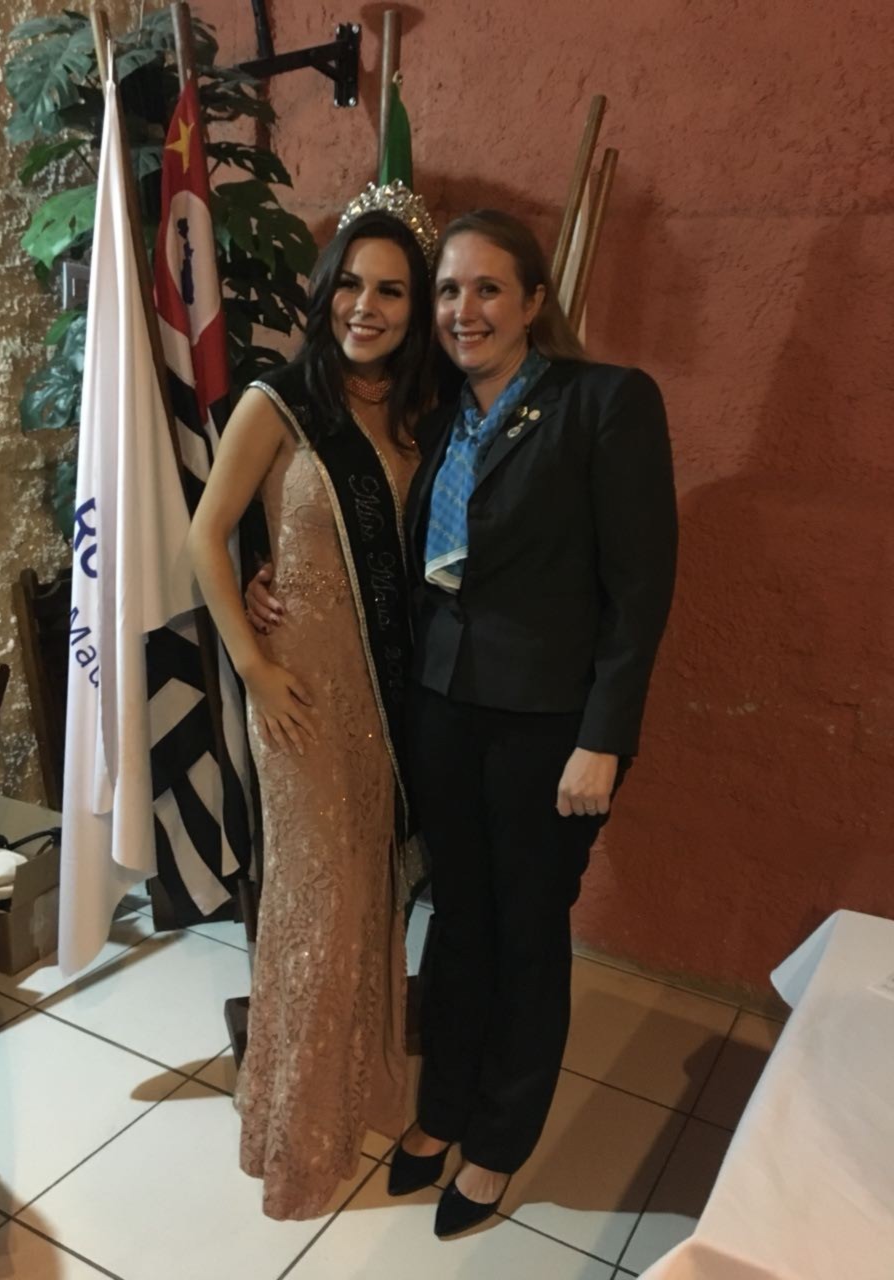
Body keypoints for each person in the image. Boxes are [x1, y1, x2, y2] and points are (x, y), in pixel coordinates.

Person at [387, 209, 678, 1236]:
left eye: (486, 288)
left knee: (526, 930)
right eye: (448, 290)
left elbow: (640, 590)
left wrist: (604, 736)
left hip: (551, 729)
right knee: (457, 918)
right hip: (443, 710)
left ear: (533, 301)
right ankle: (443, 1108)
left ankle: (499, 1141)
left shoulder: (604, 401)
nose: (462, 309)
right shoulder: (440, 423)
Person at [188, 189, 437, 1220]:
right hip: (297, 695)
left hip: (388, 696)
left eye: (392, 291)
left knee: (369, 898)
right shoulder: (279, 402)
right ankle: (294, 1131)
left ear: (417, 306)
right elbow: (208, 535)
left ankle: (356, 1096)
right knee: (313, 907)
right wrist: (251, 663)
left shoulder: (424, 411)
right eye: (352, 285)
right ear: (326, 289)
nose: (366, 307)